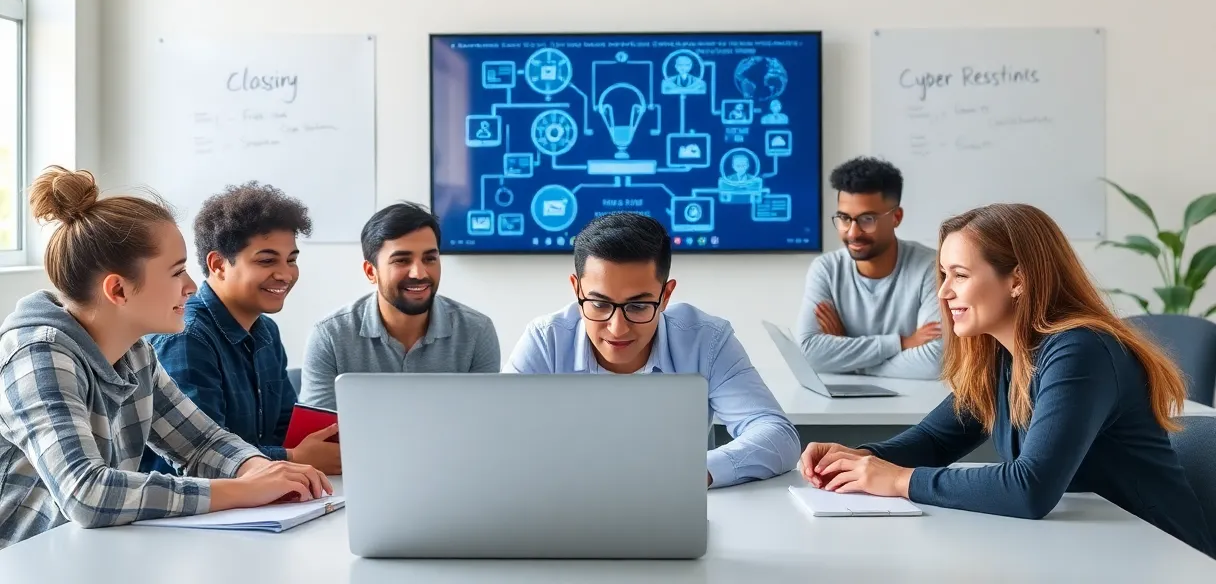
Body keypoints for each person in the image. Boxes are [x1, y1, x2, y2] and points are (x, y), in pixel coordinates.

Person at [799, 203, 1214, 558]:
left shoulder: (1080, 351)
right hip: (1085, 548)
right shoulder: (1002, 354)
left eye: (960, 275)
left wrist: (897, 480)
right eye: (943, 274)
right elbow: (936, 439)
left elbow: (1029, 489)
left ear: (1017, 280)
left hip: (1161, 557)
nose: (944, 293)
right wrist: (855, 459)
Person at [0, 167, 330, 549]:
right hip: (21, 561)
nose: (191, 286)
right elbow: (86, 494)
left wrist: (259, 469)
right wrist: (244, 489)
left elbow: (201, 442)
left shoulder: (135, 353)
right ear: (118, 290)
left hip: (84, 553)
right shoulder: (38, 355)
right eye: (177, 272)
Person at [505, 212, 799, 488]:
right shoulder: (546, 340)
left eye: (637, 306)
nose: (617, 328)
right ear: (577, 290)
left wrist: (693, 474)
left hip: (673, 507)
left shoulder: (706, 340)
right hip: (560, 507)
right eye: (599, 304)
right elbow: (498, 438)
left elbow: (778, 435)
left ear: (665, 295)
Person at [142, 182, 339, 477]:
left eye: (292, 260)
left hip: (260, 492)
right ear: (219, 264)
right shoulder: (186, 336)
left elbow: (286, 429)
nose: (285, 274)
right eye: (267, 260)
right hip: (192, 501)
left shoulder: (266, 332)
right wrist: (293, 457)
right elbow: (202, 457)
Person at [299, 202, 500, 409]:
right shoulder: (330, 336)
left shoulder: (477, 331)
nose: (419, 273)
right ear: (371, 272)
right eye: (402, 260)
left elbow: (484, 421)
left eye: (430, 259)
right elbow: (317, 429)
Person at [796, 157, 942, 379]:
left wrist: (847, 358)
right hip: (842, 399)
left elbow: (934, 362)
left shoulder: (931, 267)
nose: (853, 232)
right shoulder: (826, 269)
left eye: (867, 219)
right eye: (844, 218)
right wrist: (900, 343)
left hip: (917, 400)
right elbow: (809, 353)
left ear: (896, 217)